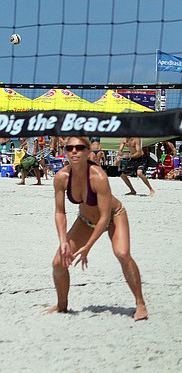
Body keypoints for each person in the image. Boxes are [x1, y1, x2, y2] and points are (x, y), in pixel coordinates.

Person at [48, 136, 148, 321]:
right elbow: (60, 213)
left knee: (122, 254)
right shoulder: (61, 177)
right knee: (58, 263)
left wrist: (88, 247)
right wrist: (63, 242)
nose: (74, 151)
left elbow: (104, 217)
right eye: (70, 148)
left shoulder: (98, 176)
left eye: (79, 147)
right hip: (86, 221)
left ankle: (140, 303)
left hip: (113, 215)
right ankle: (62, 305)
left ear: (88, 152)